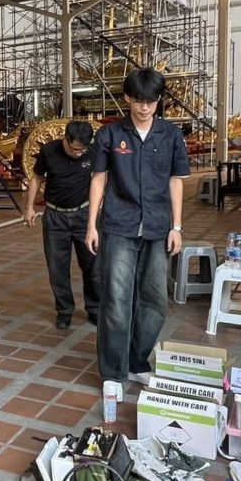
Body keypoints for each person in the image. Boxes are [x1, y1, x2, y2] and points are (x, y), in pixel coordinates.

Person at [85, 68, 190, 384]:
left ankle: (137, 361)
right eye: (139, 100)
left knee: (155, 299)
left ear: (159, 100)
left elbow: (176, 181)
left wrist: (177, 227)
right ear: (127, 98)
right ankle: (113, 371)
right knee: (116, 298)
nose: (145, 107)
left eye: (151, 101)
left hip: (158, 228)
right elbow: (99, 179)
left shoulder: (171, 135)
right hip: (119, 225)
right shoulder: (110, 135)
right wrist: (91, 225)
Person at [25, 119, 99, 328]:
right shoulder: (49, 151)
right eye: (75, 149)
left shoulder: (92, 151)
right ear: (66, 139)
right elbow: (37, 178)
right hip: (55, 217)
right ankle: (64, 310)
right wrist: (29, 207)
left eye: (83, 150)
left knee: (92, 266)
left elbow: (100, 178)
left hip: (84, 215)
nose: (79, 154)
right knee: (57, 268)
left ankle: (94, 308)